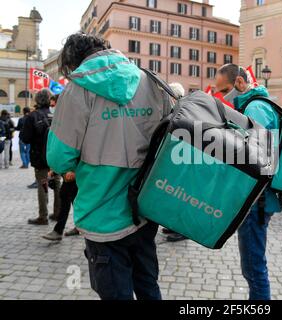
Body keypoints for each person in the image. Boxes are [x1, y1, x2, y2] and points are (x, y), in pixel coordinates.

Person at [46, 33, 172, 300]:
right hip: (146, 207)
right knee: (149, 286)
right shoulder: (149, 80)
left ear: (73, 60)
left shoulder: (77, 89)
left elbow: (58, 158)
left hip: (102, 212)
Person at [220, 64, 281, 300]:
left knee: (253, 268)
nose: (226, 97)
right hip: (258, 198)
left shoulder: (256, 108)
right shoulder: (255, 105)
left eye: (227, 90)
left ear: (239, 83)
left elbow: (255, 156)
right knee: (253, 267)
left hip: (256, 200)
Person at [22, 90, 62, 224]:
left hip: (40, 157)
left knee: (43, 183)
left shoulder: (33, 116)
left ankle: (43, 216)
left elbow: (25, 138)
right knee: (56, 183)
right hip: (56, 156)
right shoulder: (55, 114)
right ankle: (58, 213)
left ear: (37, 100)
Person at [161, 83, 189, 243]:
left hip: (181, 161)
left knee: (181, 196)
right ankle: (173, 225)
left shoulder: (181, 109)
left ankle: (182, 230)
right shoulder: (178, 108)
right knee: (175, 195)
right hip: (177, 160)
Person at [43, 171, 80, 241]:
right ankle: (59, 230)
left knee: (72, 203)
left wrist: (76, 172)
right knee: (66, 200)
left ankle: (58, 231)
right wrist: (54, 171)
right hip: (68, 177)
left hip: (75, 177)